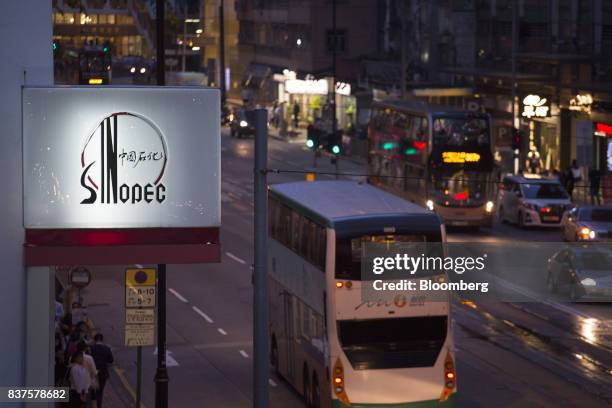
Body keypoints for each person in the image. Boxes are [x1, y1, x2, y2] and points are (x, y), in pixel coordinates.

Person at [90, 333, 114, 408]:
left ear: (95, 340)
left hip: (94, 372)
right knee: (100, 391)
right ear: (102, 340)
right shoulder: (107, 348)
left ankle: (93, 404)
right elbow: (111, 360)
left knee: (93, 389)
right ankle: (99, 405)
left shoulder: (92, 348)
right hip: (103, 372)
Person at [78, 342, 98, 408]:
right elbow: (94, 372)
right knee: (89, 402)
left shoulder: (73, 357)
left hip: (76, 384)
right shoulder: (89, 358)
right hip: (88, 384)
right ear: (85, 348)